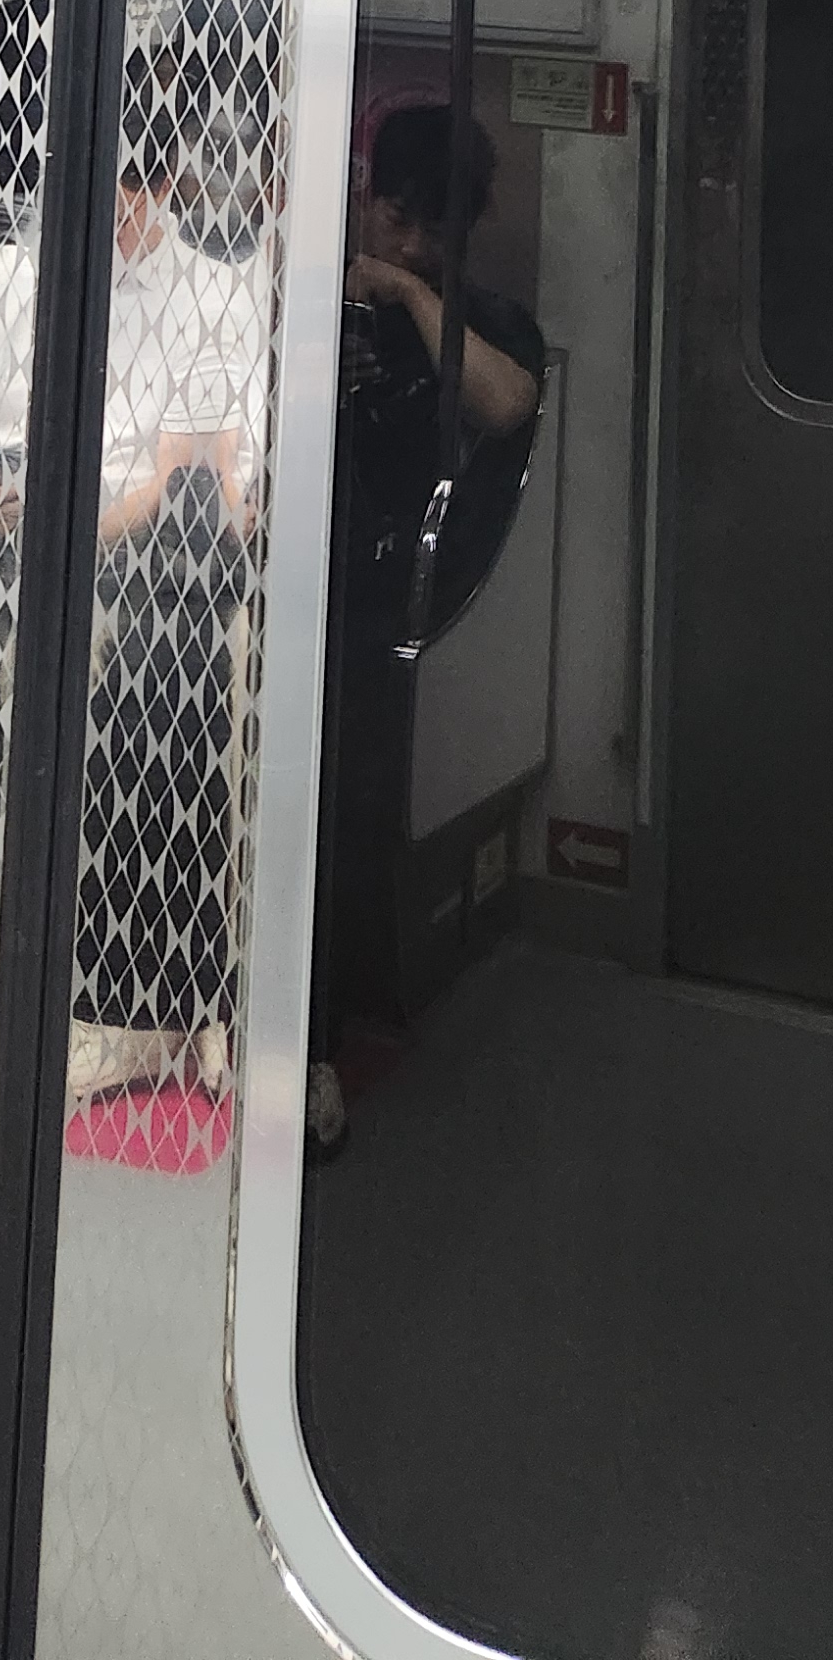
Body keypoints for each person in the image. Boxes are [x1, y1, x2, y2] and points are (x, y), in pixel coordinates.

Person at [0, 60, 273, 1099]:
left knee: (140, 647)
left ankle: (138, 995)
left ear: (160, 184)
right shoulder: (6, 278)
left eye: (120, 181)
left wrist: (61, 519)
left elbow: (193, 480)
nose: (90, 204)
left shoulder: (209, 294)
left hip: (130, 546)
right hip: (1, 535)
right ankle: (43, 984)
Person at [308, 102, 546, 1156]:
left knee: (338, 804)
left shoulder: (473, 319)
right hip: (276, 572)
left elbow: (508, 403)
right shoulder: (307, 294)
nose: (407, 245)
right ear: (365, 198)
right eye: (394, 222)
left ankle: (314, 1041)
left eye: (429, 234)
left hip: (379, 603)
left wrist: (408, 294)